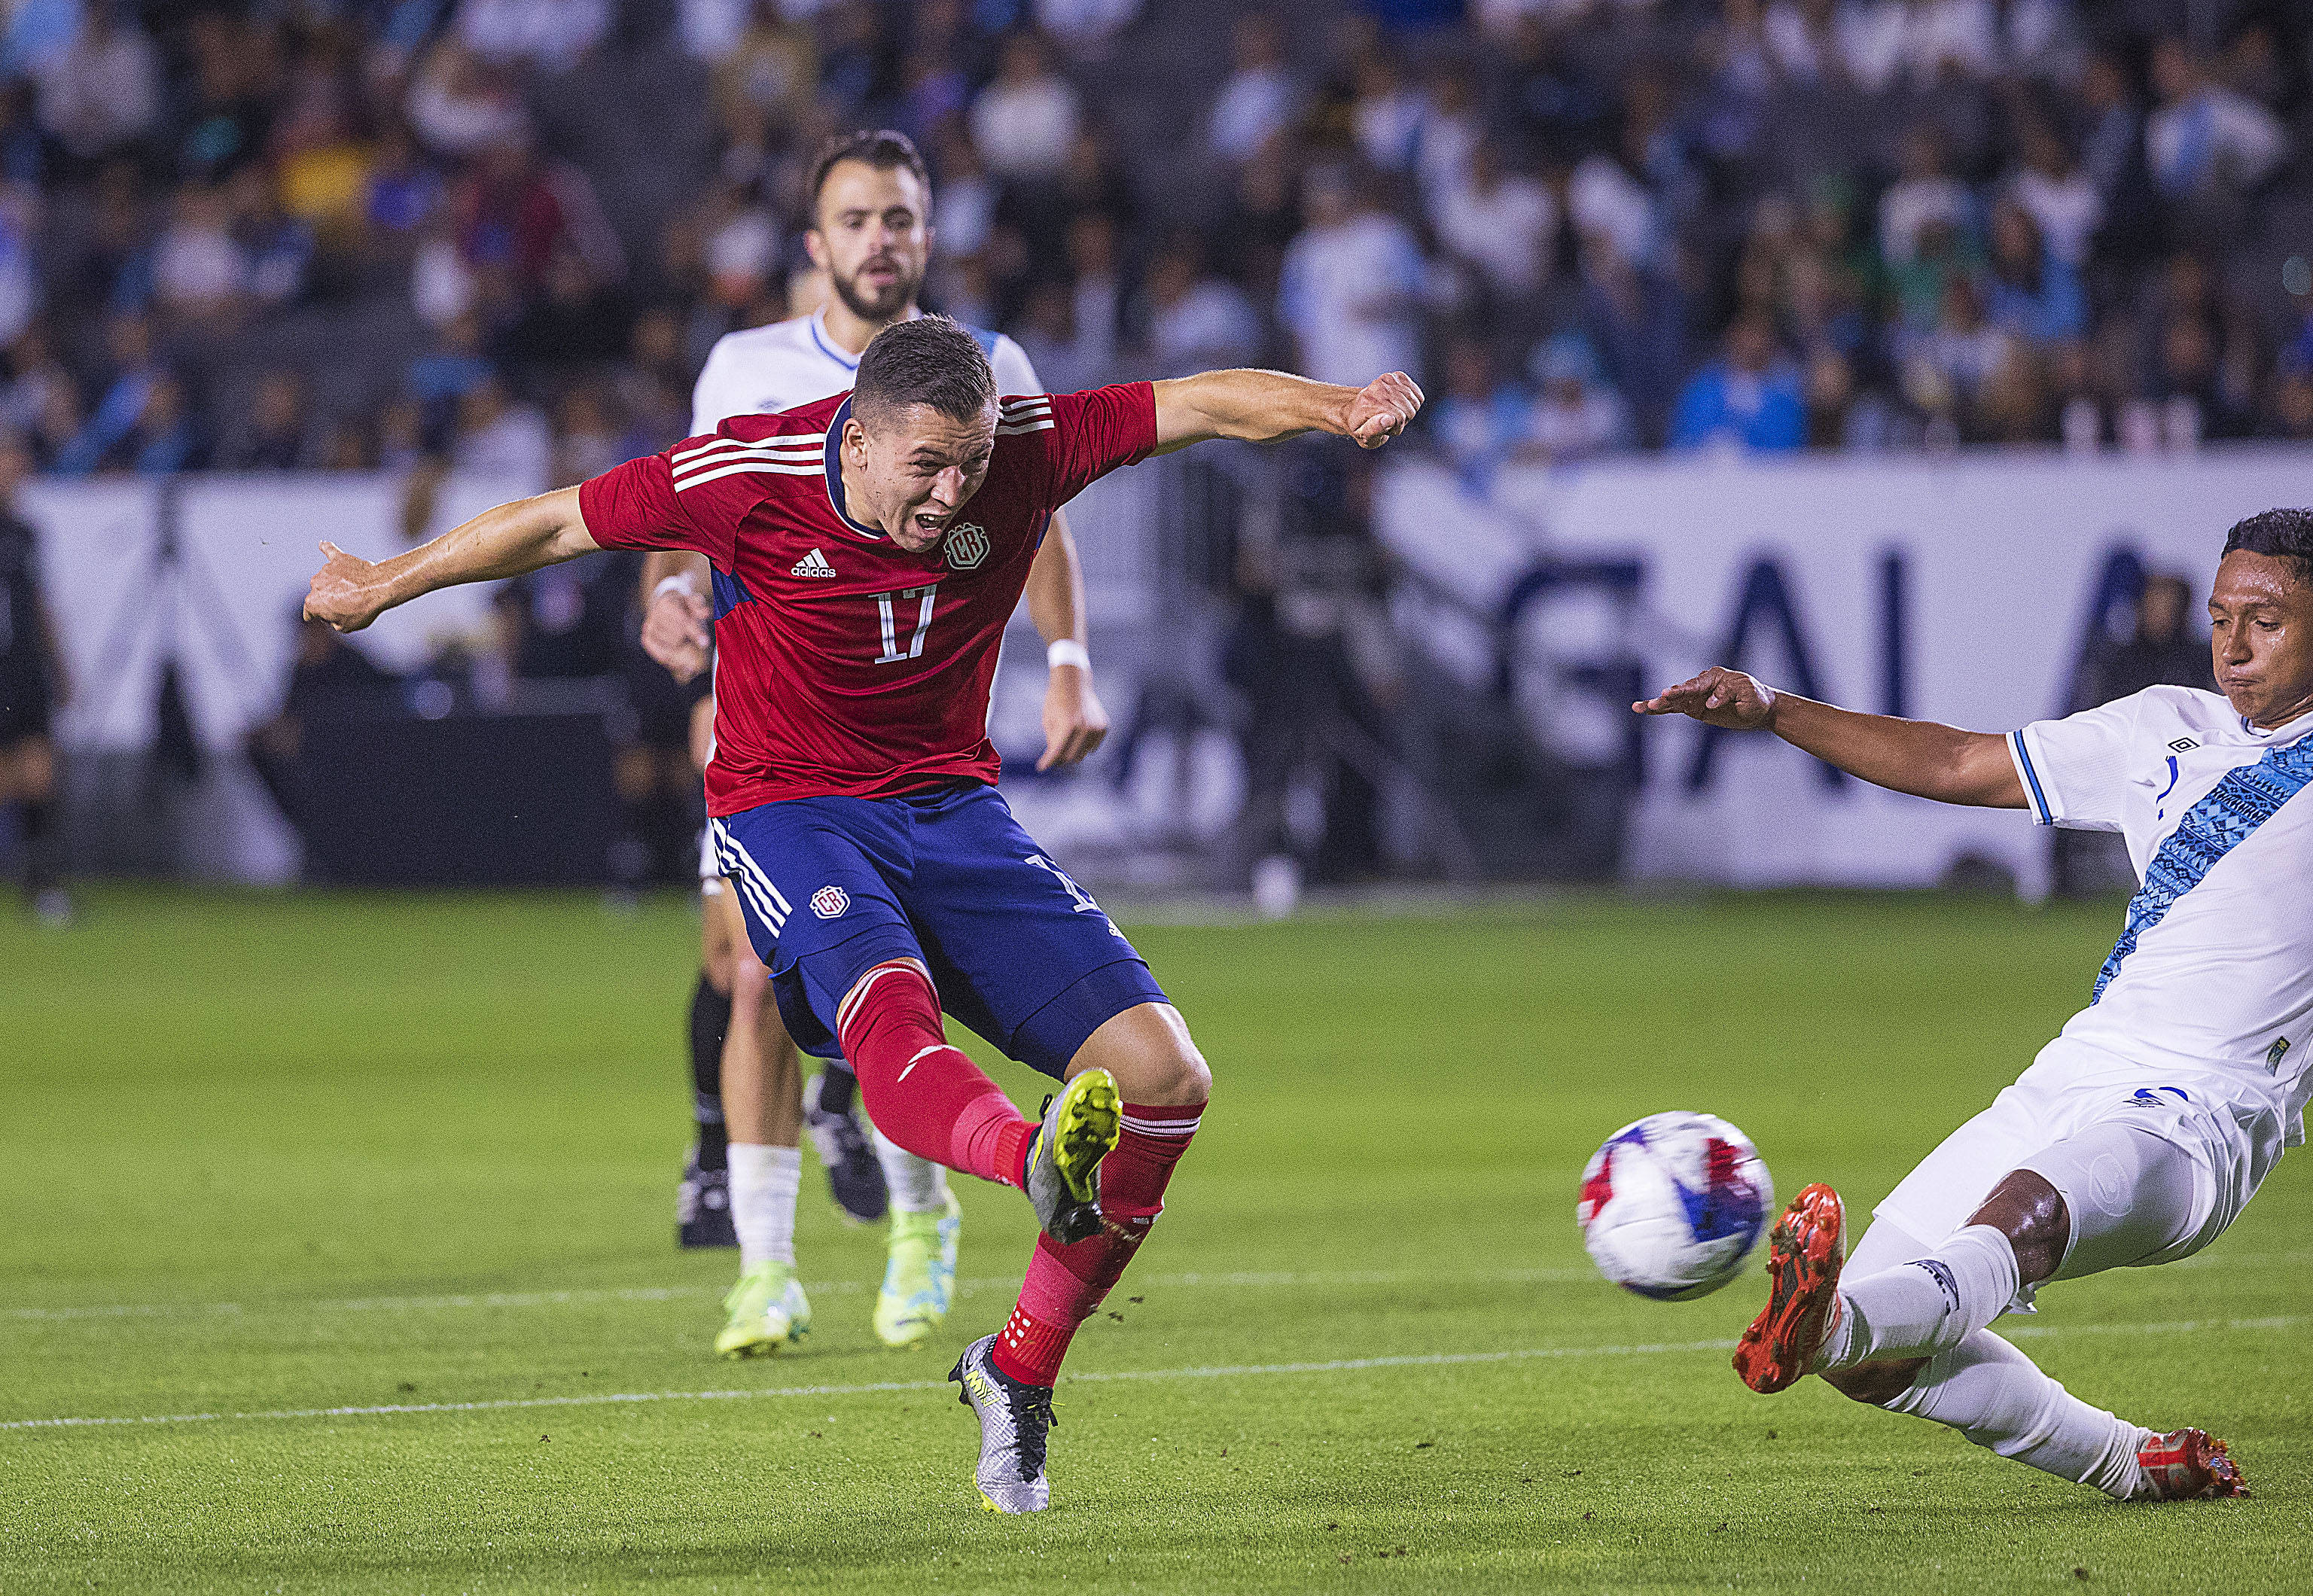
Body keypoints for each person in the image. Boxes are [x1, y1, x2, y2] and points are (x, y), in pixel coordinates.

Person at [302, 313, 1423, 1512]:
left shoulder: (1030, 447)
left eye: (974, 464)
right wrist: (385, 584)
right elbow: (557, 519)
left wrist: (1336, 402)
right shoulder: (748, 475)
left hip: (955, 812)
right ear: (861, 436)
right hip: (789, 808)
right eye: (929, 465)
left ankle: (1016, 1371)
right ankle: (1019, 1157)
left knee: (1167, 1078)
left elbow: (1200, 404)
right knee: (890, 1012)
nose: (955, 492)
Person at [1632, 507, 2313, 1503]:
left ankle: (1824, 1326)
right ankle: (2129, 1461)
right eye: (2220, 618)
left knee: (2020, 1215)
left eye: (2268, 621)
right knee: (1874, 1360)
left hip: (2203, 1117)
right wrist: (1774, 707)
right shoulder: (2165, 725)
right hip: (2073, 1074)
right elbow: (1958, 763)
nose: (2233, 647)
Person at [644, 129, 1114, 1361]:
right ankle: (767, 1270)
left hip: (914, 747)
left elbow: (1038, 519)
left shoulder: (986, 365)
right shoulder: (745, 365)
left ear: (927, 234)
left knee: (891, 985)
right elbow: (678, 505)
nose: (879, 240)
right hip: (771, 727)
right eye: (857, 219)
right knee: (748, 970)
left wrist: (1068, 663)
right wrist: (669, 604)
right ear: (818, 242)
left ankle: (919, 1220)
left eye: (900, 218)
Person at [0, 431, 66, 921]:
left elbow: (40, 604)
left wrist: (62, 664)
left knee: (39, 774)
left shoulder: (25, 533)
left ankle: (41, 884)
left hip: (24, 667)